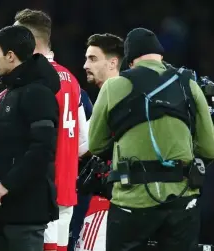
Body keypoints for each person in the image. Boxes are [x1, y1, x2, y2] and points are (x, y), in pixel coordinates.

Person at [89, 28, 214, 251]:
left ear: (131, 59)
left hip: (131, 200)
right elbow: (209, 147)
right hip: (181, 199)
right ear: (160, 55)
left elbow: (96, 145)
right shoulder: (189, 84)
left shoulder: (114, 85)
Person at [0, 25, 60, 251]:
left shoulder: (38, 93)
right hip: (3, 209)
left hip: (26, 210)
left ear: (10, 55)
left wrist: (7, 184)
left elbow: (43, 149)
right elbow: (3, 141)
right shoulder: (13, 91)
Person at [13, 9, 88, 251]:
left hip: (39, 193)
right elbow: (85, 142)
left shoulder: (36, 81)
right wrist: (66, 159)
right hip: (66, 190)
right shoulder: (72, 80)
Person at [74, 33, 124, 251]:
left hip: (108, 204)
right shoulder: (128, 96)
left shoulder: (114, 98)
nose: (85, 65)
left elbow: (85, 148)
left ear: (113, 62)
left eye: (93, 59)